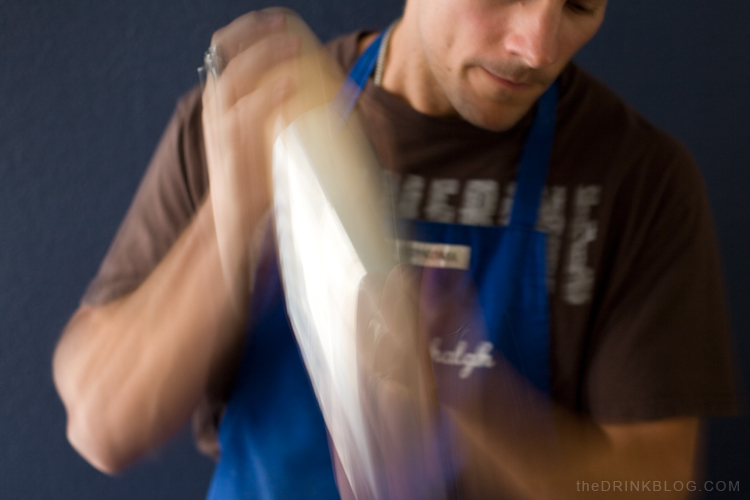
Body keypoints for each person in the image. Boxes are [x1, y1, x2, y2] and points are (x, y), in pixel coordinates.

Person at [53, 1, 736, 499]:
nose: (537, 46)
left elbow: (655, 483)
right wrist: (233, 219)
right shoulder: (250, 121)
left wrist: (468, 402)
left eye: (581, 6)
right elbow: (101, 425)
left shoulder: (639, 182)